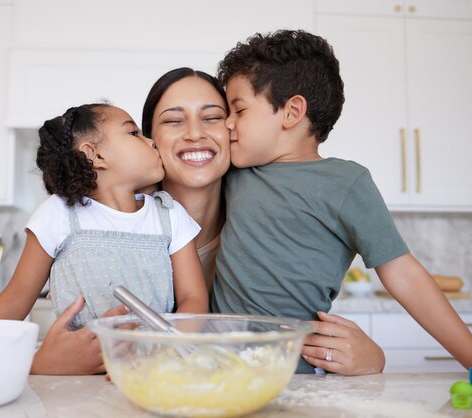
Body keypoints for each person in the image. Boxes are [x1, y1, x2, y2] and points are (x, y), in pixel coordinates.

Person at [210, 29, 472, 374]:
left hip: (296, 375)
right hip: (216, 367)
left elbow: (404, 274)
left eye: (238, 110)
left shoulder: (347, 183)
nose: (228, 125)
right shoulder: (231, 173)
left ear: (292, 111)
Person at [142, 67, 385, 376]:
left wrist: (369, 358)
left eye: (213, 117)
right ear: (149, 140)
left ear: (234, 127)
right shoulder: (123, 227)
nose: (194, 133)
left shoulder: (267, 224)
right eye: (174, 120)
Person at [0, 103, 209, 371]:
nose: (151, 142)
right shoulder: (59, 213)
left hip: (151, 371)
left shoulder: (170, 215)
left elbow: (194, 298)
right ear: (95, 154)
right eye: (134, 133)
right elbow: (16, 297)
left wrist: (163, 348)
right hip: (76, 377)